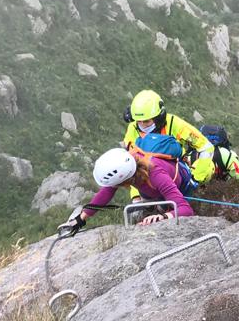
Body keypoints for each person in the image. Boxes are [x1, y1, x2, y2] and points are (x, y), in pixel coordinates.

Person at [58, 147, 194, 235]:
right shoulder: (128, 167)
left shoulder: (156, 174)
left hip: (180, 186)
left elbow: (185, 209)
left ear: (124, 180)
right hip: (154, 193)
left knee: (166, 208)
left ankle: (161, 208)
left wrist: (164, 217)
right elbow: (106, 193)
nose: (116, 186)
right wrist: (80, 219)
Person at [123, 90, 215, 185]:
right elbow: (131, 161)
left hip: (177, 170)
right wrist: (136, 196)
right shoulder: (133, 128)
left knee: (208, 168)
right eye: (138, 121)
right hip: (146, 175)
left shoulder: (174, 123)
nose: (142, 125)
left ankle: (193, 191)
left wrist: (196, 178)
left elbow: (206, 147)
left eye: (146, 121)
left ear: (158, 117)